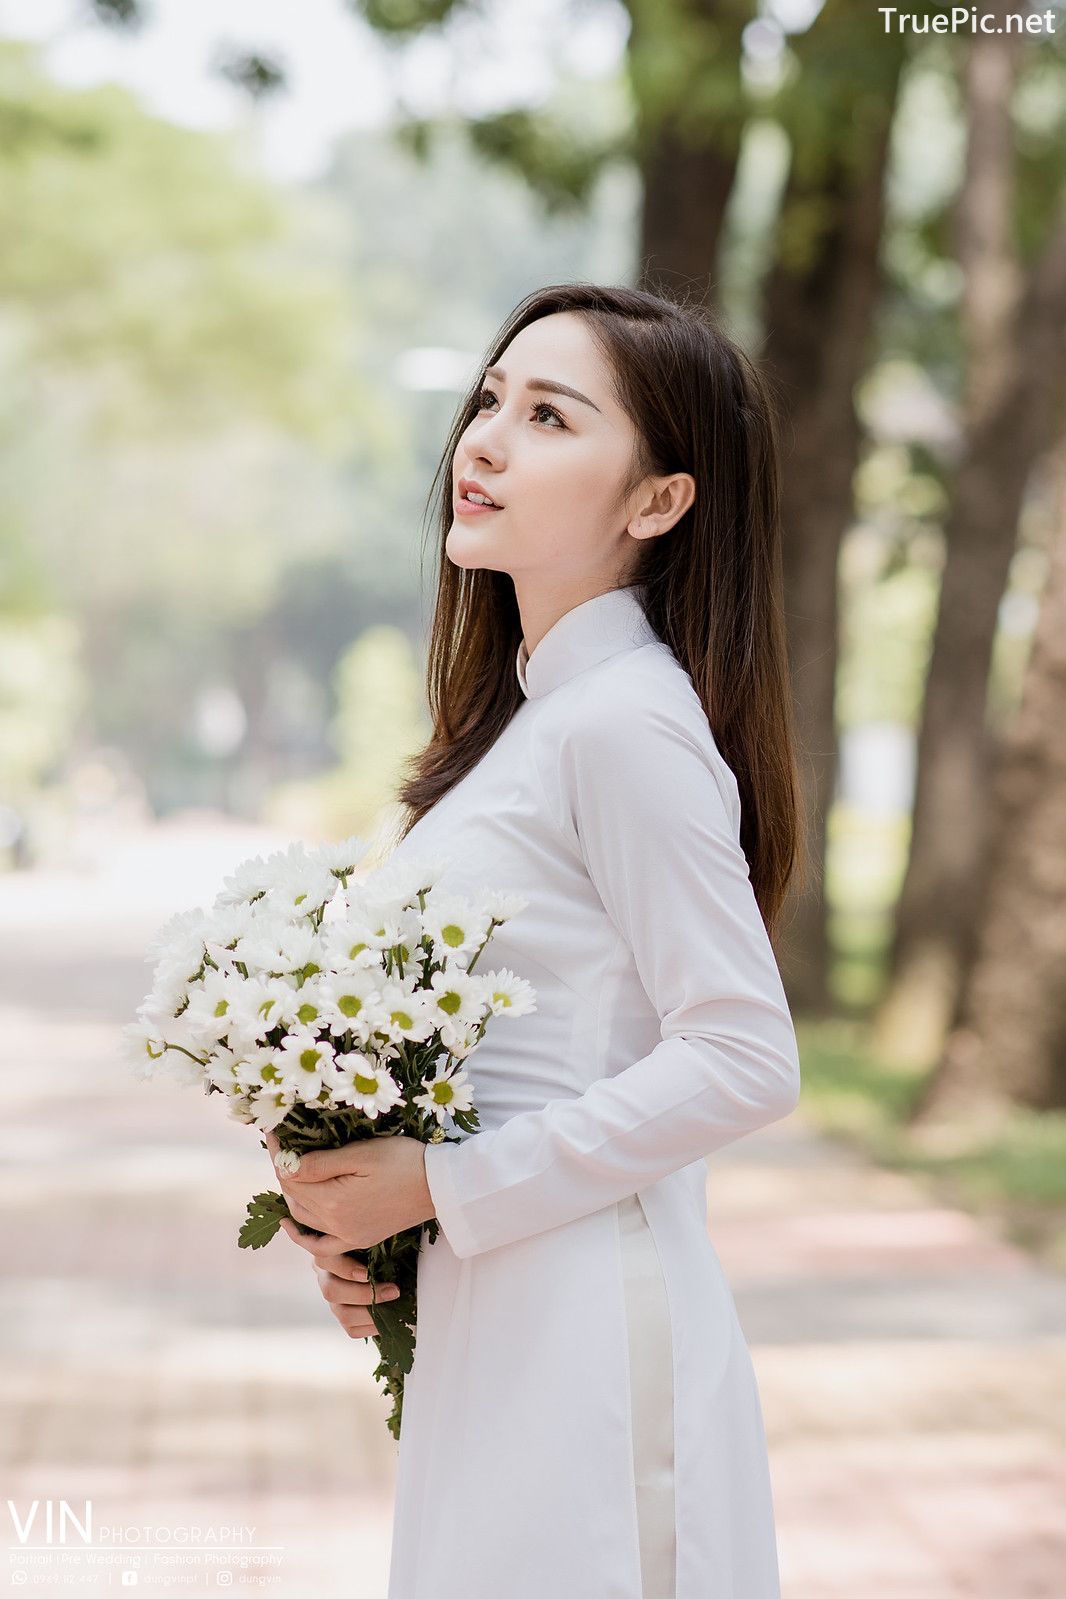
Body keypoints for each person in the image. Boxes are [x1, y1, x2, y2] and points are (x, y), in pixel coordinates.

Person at [267, 281, 809, 1598]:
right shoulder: (524, 730)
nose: (487, 440)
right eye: (491, 399)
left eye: (551, 415)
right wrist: (369, 1222)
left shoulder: (625, 720)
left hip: (585, 1322)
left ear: (656, 501)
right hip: (488, 1312)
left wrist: (441, 1191)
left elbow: (744, 1054)